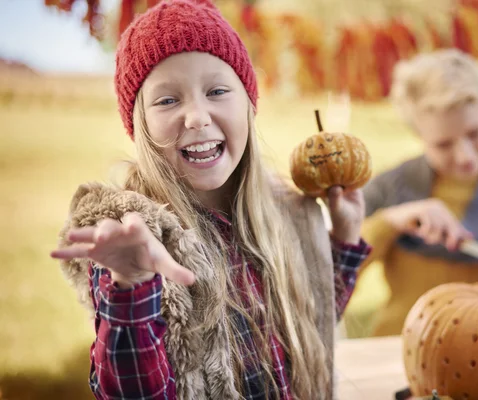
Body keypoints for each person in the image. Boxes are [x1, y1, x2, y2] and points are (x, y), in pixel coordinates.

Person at [50, 1, 371, 399]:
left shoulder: (281, 213)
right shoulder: (136, 240)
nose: (197, 116)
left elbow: (309, 322)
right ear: (141, 124)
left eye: (217, 91)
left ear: (249, 104)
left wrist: (344, 236)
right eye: (168, 100)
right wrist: (132, 286)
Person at [355, 49, 478, 337]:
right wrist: (390, 222)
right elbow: (333, 276)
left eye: (474, 133)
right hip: (400, 342)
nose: (465, 156)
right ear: (419, 136)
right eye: (444, 144)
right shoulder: (391, 188)